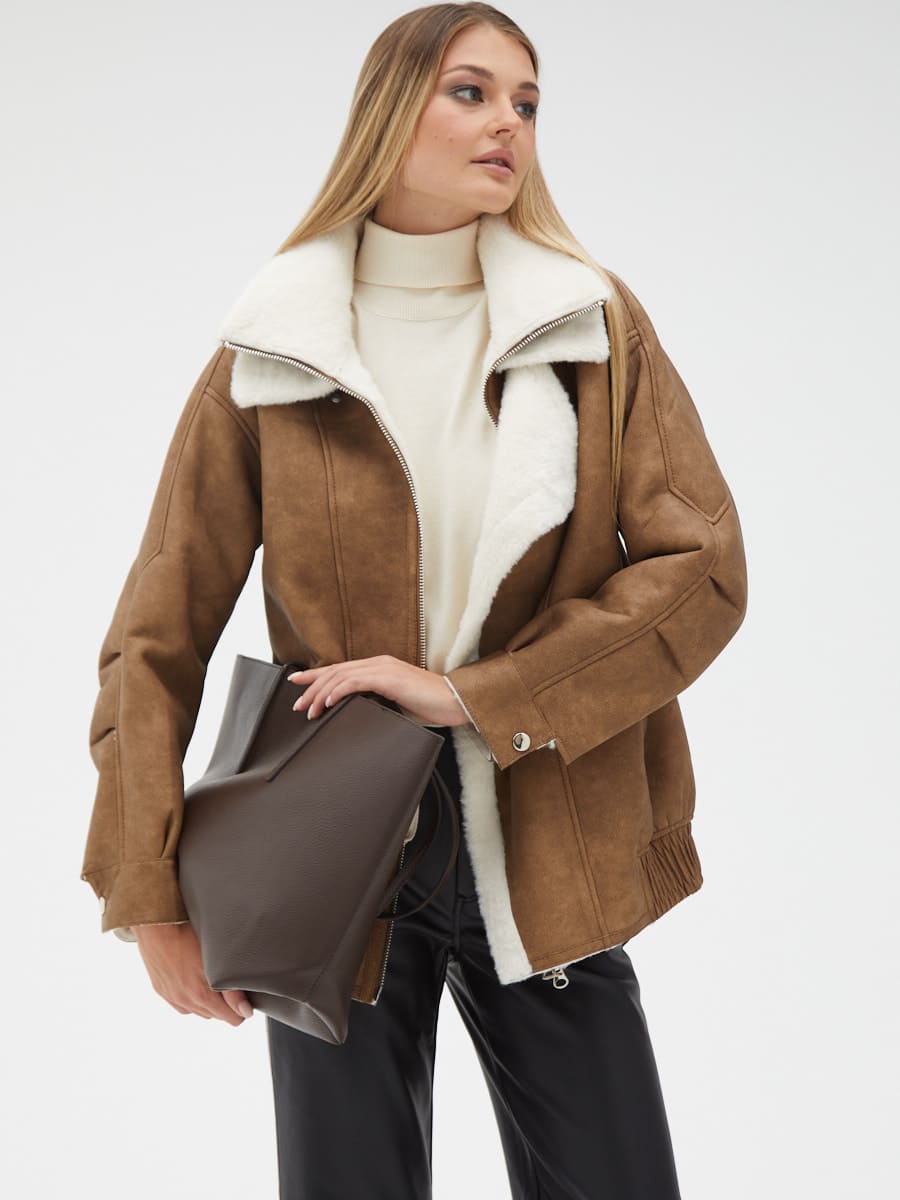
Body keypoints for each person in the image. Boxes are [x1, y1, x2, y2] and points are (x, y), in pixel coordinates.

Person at [81, 3, 748, 1196]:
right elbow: (156, 635)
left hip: (549, 823)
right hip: (332, 849)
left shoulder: (587, 326)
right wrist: (149, 890)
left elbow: (701, 568)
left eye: (527, 102)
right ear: (390, 112)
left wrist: (474, 695)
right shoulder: (275, 348)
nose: (510, 124)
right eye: (472, 92)